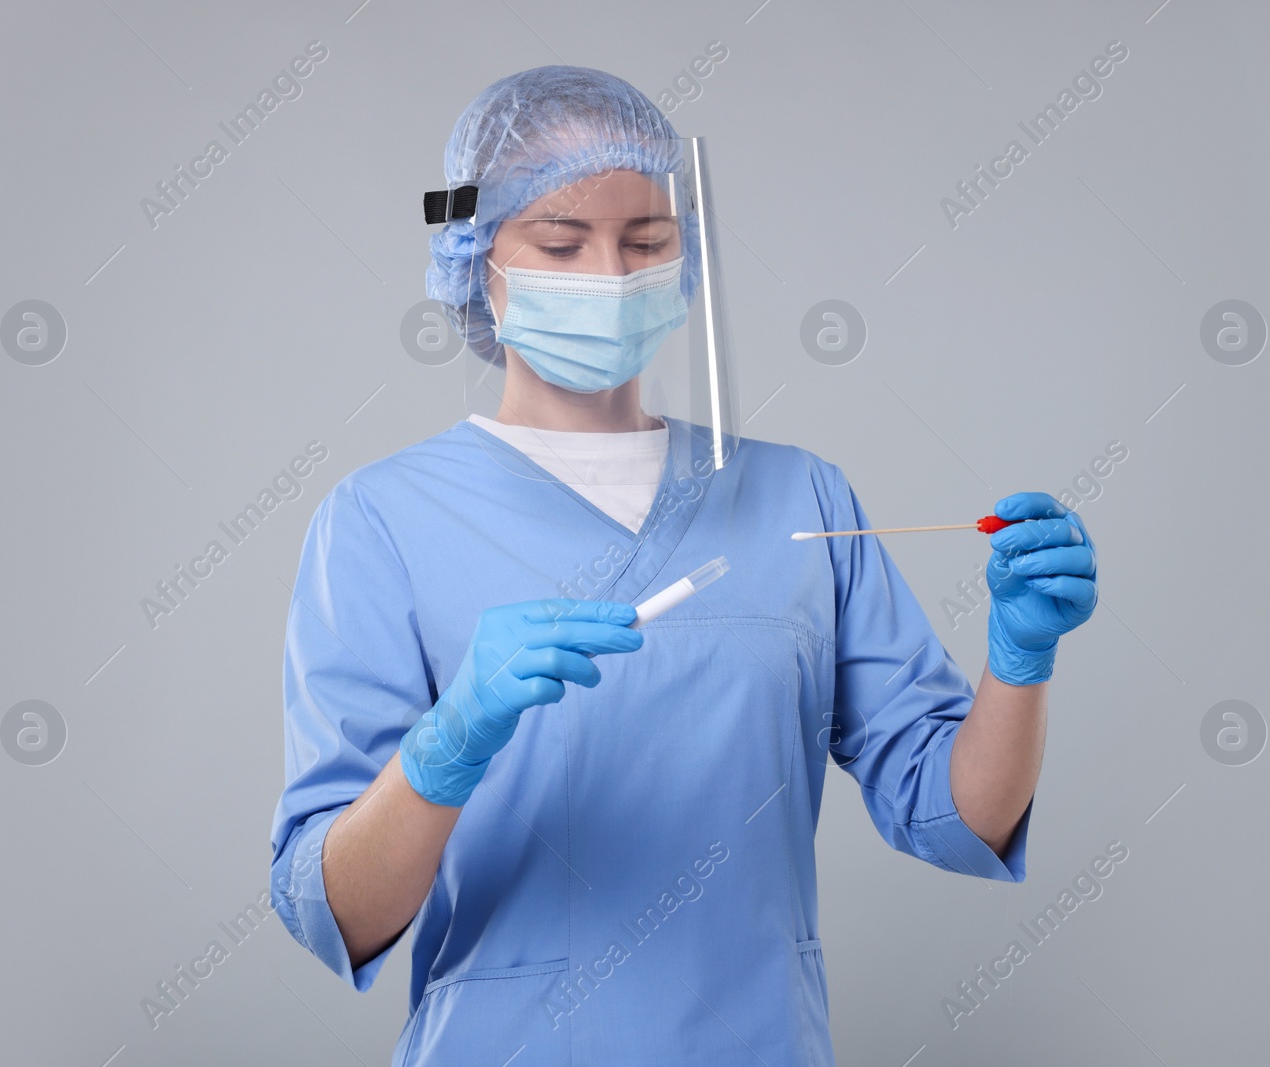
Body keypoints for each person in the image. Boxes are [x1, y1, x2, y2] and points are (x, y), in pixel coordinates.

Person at [269, 65, 1098, 1065]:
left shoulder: (799, 500)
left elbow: (954, 814)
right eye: (562, 244)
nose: (611, 276)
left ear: (687, 256)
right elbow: (338, 912)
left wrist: (1019, 659)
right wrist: (447, 745)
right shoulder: (382, 521)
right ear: (478, 256)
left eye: (646, 243)